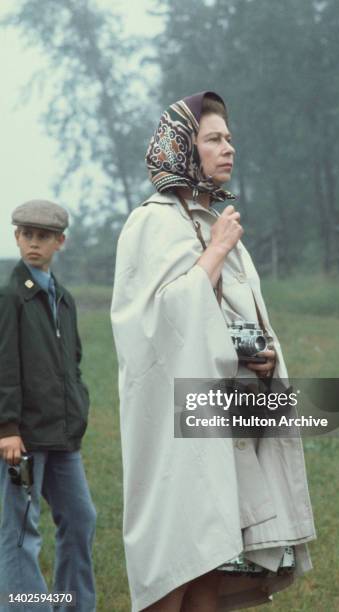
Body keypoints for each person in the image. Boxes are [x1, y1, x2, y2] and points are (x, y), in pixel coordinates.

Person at [111, 91, 316, 611]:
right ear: (183, 146)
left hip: (226, 417)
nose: (229, 149)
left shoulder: (215, 220)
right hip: (175, 429)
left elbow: (241, 317)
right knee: (173, 564)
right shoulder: (153, 221)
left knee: (212, 561)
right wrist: (218, 249)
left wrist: (264, 356)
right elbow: (152, 323)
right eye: (214, 139)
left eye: (230, 139)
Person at [0, 200, 96, 612]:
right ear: (17, 237)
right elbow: (4, 365)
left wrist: (77, 409)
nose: (33, 243)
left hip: (62, 437)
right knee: (21, 531)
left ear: (61, 242)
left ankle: (73, 606)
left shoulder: (66, 299)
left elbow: (70, 363)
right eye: (26, 235)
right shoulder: (10, 298)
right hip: (23, 438)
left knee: (81, 519)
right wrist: (7, 427)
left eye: (43, 237)